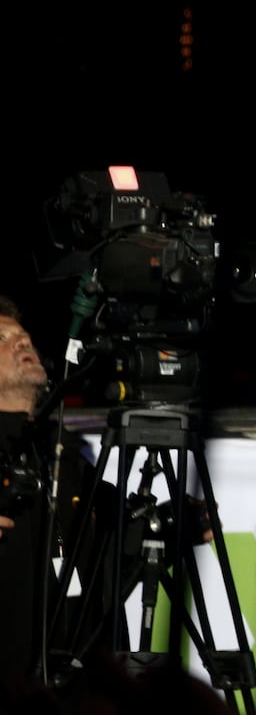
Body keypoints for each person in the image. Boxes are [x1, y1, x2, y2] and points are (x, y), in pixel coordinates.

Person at [0, 294, 125, 694]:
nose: (21, 342)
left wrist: (175, 522)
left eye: (23, 335)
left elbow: (114, 535)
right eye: (2, 338)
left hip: (78, 689)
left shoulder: (62, 451)